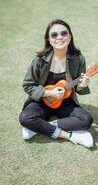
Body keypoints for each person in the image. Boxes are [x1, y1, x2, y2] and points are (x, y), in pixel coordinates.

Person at [19, 19, 93, 148]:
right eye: (54, 35)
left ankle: (40, 126)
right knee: (25, 118)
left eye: (64, 33)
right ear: (49, 39)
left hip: (66, 101)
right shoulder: (39, 60)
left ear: (69, 36)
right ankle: (70, 136)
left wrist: (82, 85)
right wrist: (49, 92)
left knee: (87, 120)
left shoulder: (78, 58)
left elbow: (78, 88)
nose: (59, 37)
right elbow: (28, 84)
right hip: (42, 100)